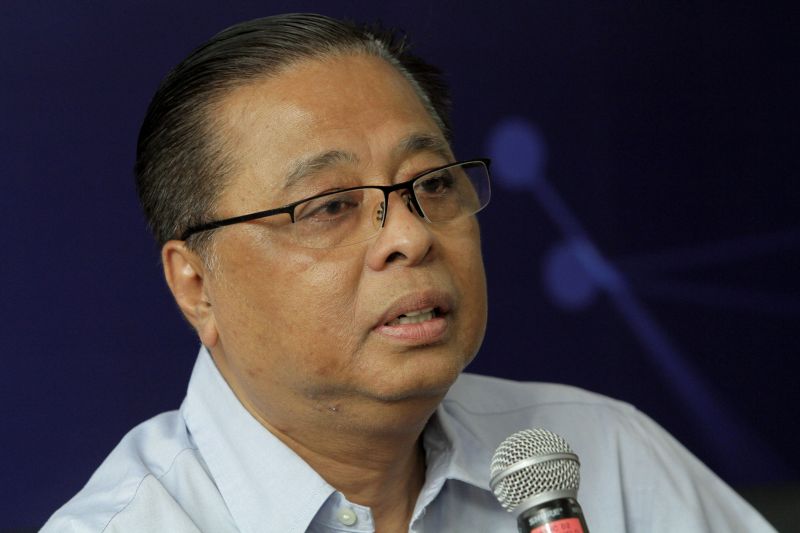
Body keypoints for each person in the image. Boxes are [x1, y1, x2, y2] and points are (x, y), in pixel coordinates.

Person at [43, 13, 775, 532]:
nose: (410, 236)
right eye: (329, 206)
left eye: (431, 184)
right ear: (195, 284)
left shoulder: (601, 453)